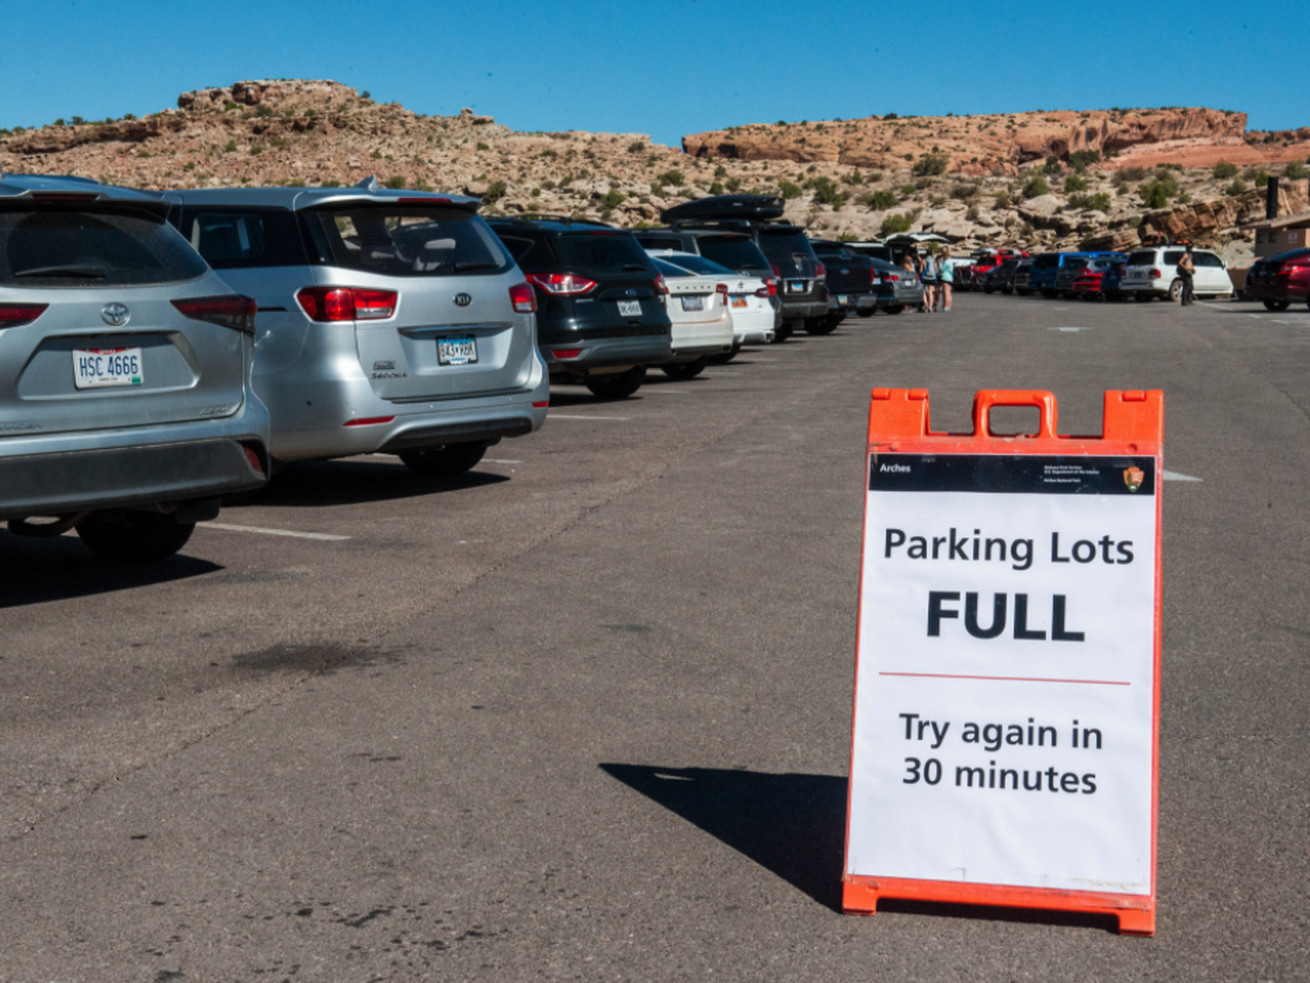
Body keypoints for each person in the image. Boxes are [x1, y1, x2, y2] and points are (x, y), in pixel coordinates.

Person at [938, 245, 954, 312]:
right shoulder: (950, 261)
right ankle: (948, 306)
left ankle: (946, 306)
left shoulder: (946, 261)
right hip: (950, 277)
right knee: (949, 293)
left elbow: (942, 269)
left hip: (945, 277)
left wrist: (940, 263)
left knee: (945, 293)